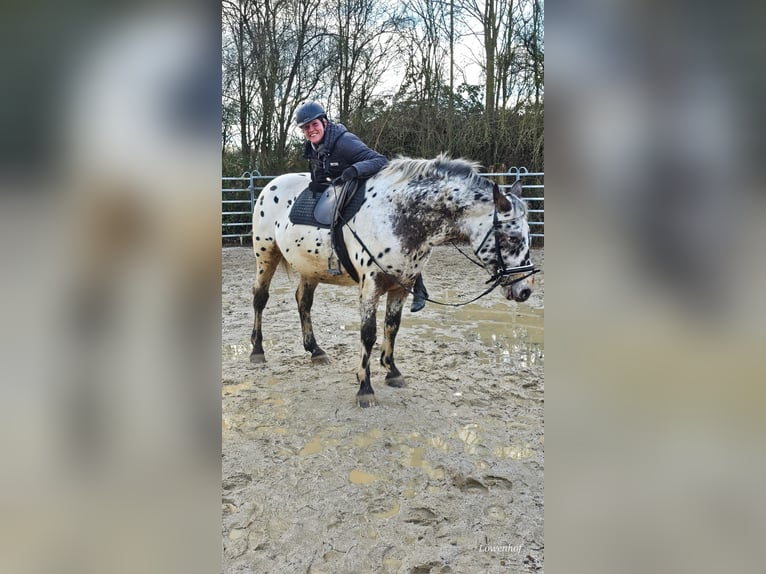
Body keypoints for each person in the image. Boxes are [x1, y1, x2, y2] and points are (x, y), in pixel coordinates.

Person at [294, 101, 429, 312]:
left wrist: (354, 170)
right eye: (306, 128)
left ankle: (419, 287)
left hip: (371, 186)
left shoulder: (344, 141)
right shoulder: (313, 146)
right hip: (348, 187)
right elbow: (325, 168)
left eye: (314, 125)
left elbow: (380, 161)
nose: (310, 130)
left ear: (324, 122)